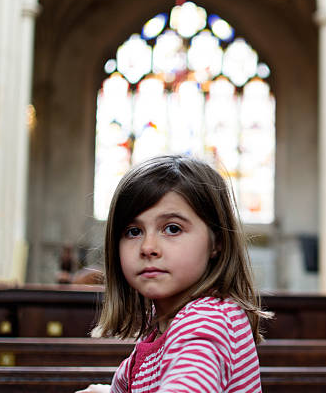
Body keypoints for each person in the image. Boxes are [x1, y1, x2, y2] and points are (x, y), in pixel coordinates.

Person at [76, 155, 272, 393]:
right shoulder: (163, 322)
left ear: (216, 242)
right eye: (133, 231)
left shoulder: (206, 323)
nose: (148, 247)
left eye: (172, 228)